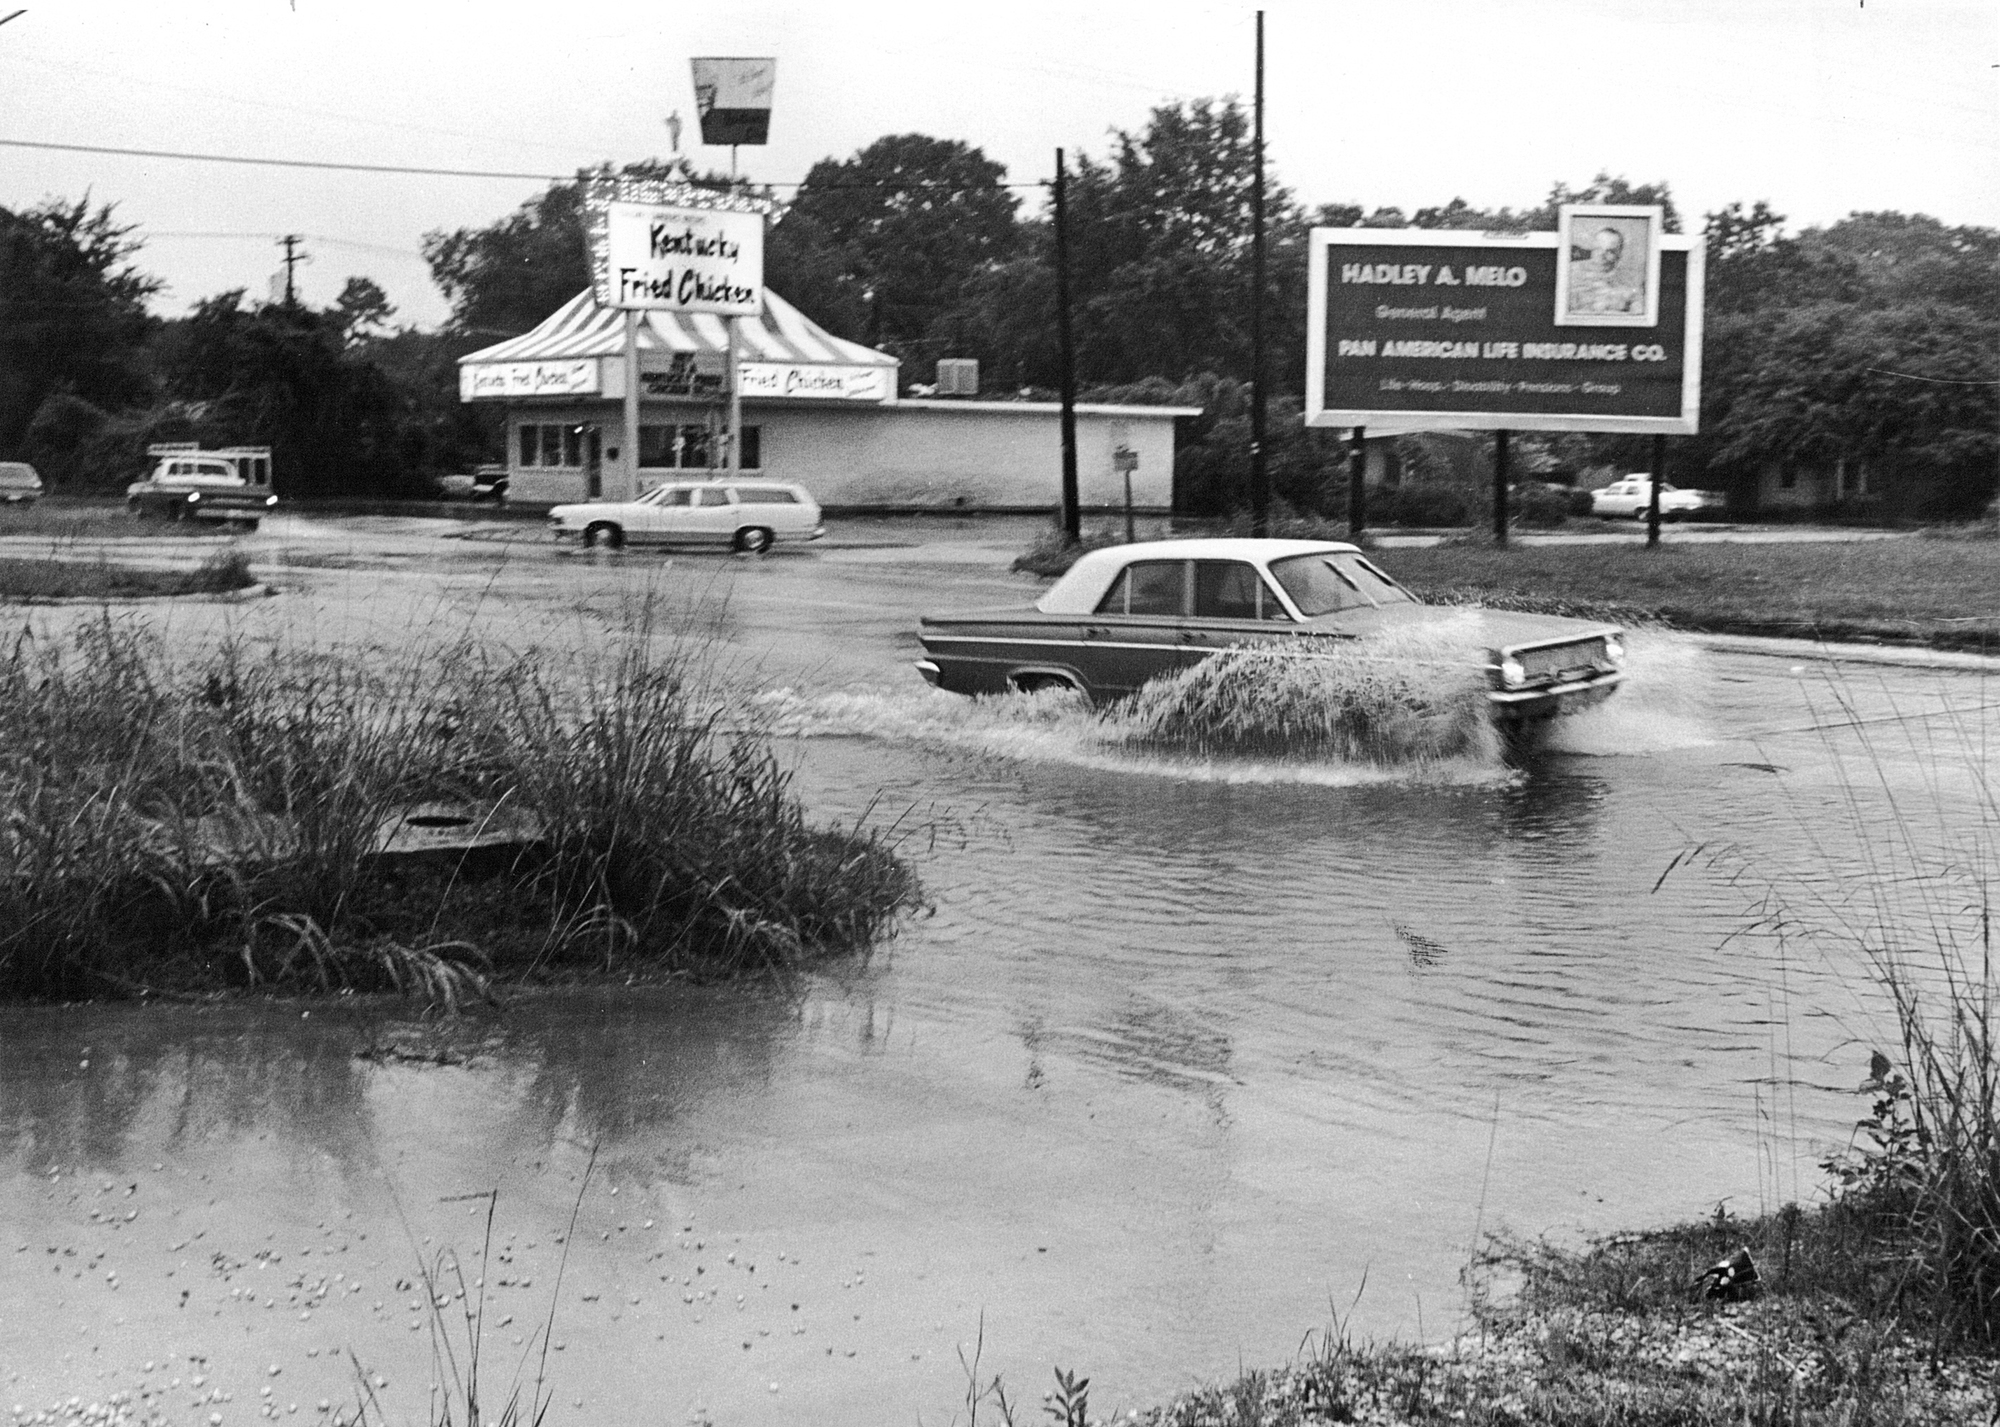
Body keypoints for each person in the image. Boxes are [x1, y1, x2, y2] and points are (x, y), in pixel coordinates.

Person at [1566, 225, 1645, 315]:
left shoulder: (1629, 282)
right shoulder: (1569, 272)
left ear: (1619, 255)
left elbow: (1639, 314)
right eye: (1598, 249)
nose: (1601, 255)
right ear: (1592, 248)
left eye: (1610, 251)